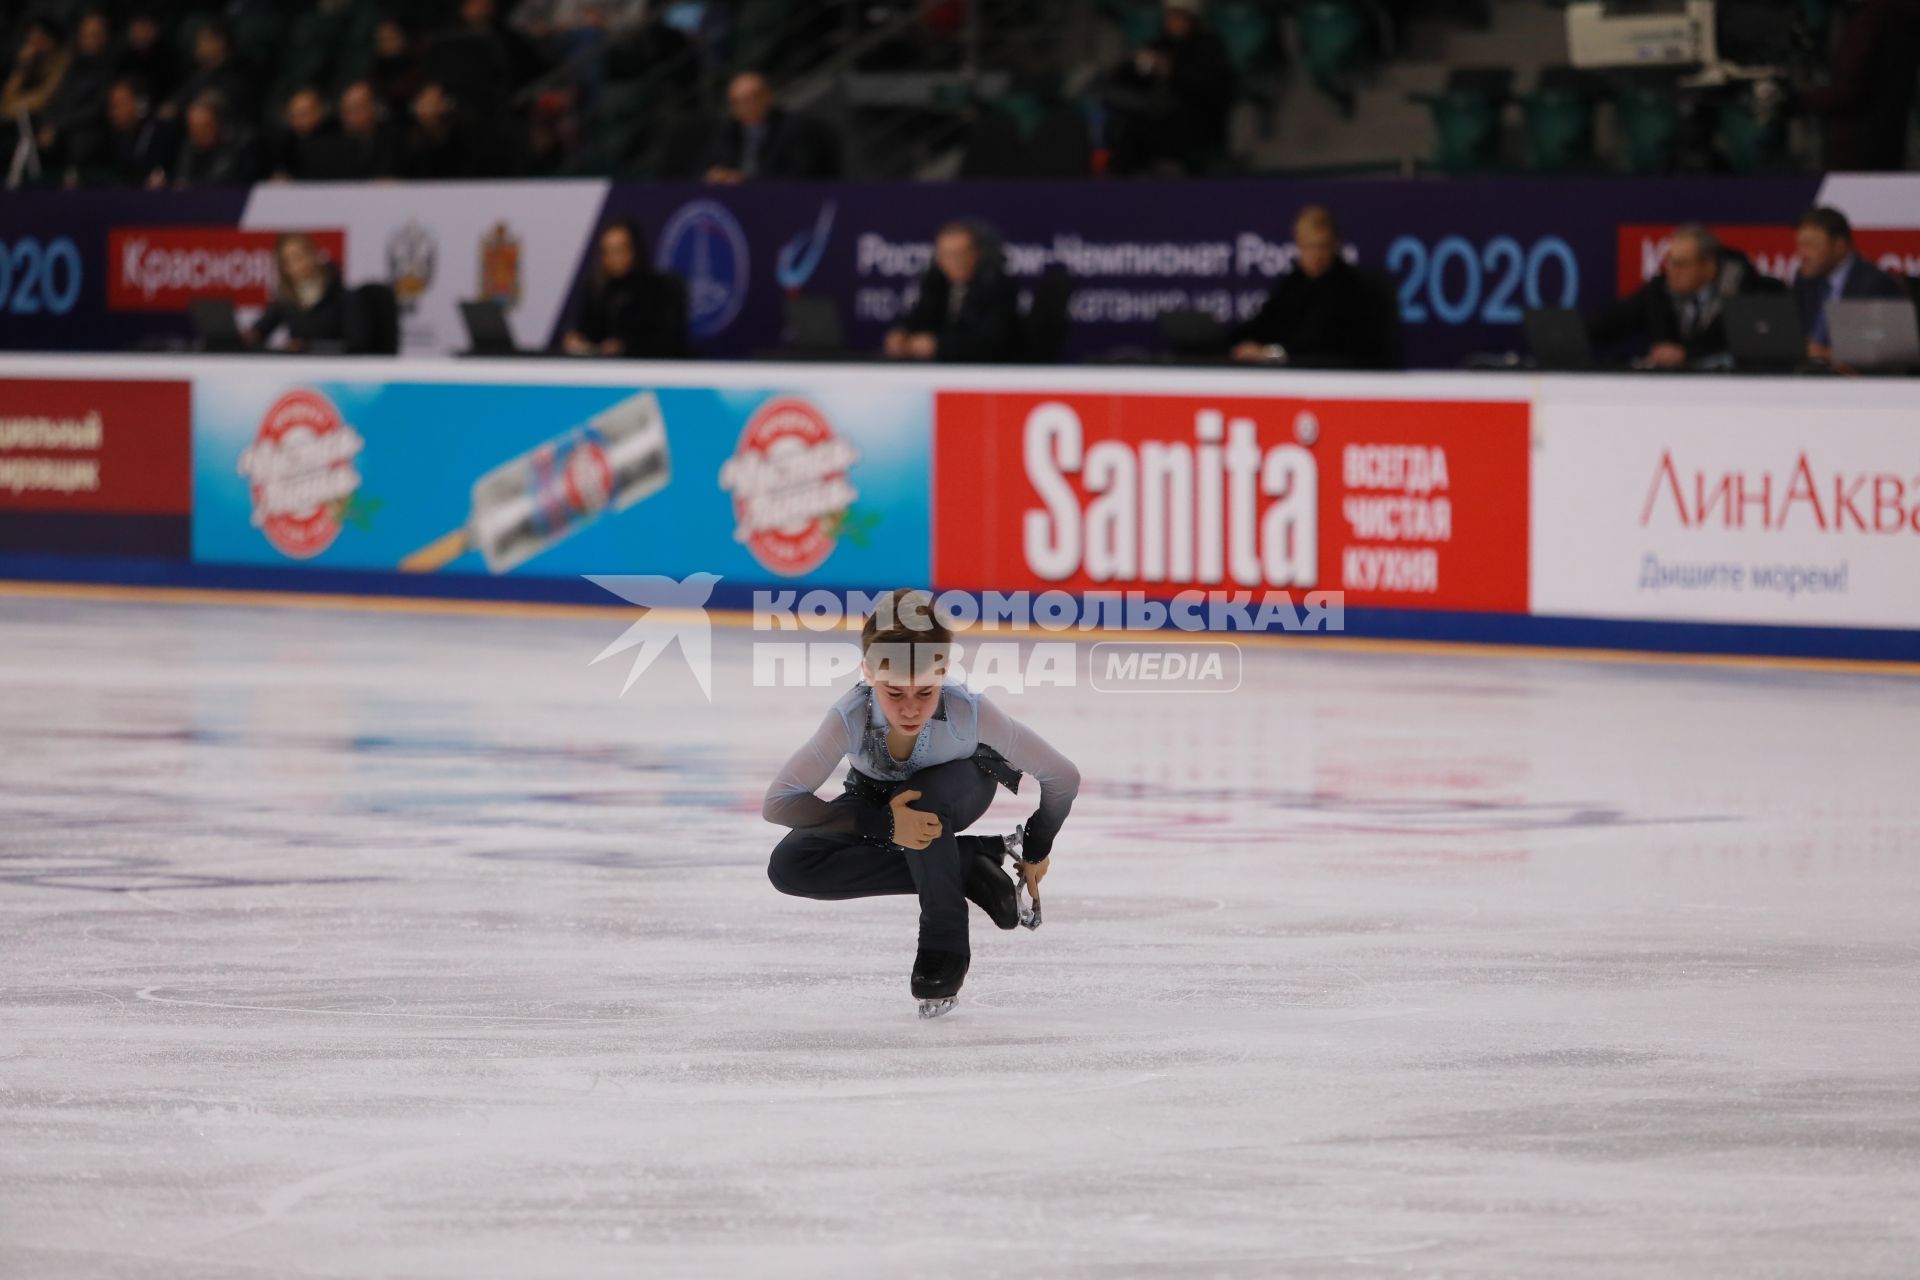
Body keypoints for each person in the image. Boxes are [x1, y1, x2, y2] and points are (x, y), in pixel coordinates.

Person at [764, 589, 1078, 1016]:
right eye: (894, 693)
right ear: (868, 674)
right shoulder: (850, 716)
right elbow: (779, 803)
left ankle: (944, 944)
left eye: (926, 691)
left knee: (920, 802)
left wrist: (1039, 846)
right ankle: (966, 864)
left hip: (960, 788)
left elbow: (1062, 776)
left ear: (944, 670)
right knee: (790, 866)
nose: (911, 708)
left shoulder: (970, 712)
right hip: (875, 796)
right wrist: (885, 826)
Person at [1588, 224, 1787, 368]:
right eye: (1670, 262)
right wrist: (1577, 335)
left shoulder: (1748, 292)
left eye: (1681, 264)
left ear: (1709, 267)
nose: (1671, 271)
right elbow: (1615, 320)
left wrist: (1687, 354)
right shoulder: (1660, 289)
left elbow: (1747, 346)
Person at [1229, 206, 1400, 370]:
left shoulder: (1354, 288)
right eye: (1308, 246)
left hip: (1339, 383)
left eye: (1322, 247)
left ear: (1335, 245)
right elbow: (1262, 324)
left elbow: (1324, 346)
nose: (1315, 255)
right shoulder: (1293, 283)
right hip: (1290, 380)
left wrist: (1272, 354)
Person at [1103, 0, 1236, 177]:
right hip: (1155, 115)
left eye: (1180, 16)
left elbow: (1209, 88)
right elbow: (1126, 77)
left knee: (1146, 128)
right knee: (1128, 128)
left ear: (1192, 19)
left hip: (1196, 120)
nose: (1174, 22)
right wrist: (1136, 64)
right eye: (1170, 16)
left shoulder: (1209, 46)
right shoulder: (1159, 44)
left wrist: (1171, 72)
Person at [1793, 0, 1920, 171]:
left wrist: (1795, 100)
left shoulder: (1870, 21)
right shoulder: (1897, 17)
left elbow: (1848, 90)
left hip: (1855, 146)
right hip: (1890, 141)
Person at [884, 221, 1023, 364]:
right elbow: (920, 316)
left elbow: (992, 342)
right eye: (946, 254)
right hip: (938, 372)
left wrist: (938, 345)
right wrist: (903, 333)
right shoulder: (934, 282)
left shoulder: (998, 286)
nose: (954, 261)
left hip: (988, 373)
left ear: (977, 254)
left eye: (960, 254)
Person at [1792, 207, 1909, 361]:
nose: (1802, 254)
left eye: (1811, 246)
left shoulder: (1875, 284)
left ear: (1839, 245)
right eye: (1800, 245)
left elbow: (1887, 353)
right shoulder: (1805, 281)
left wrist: (1827, 355)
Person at [562, 218, 689, 358]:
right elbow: (585, 330)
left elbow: (665, 340)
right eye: (607, 251)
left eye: (618, 250)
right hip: (602, 371)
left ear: (633, 251)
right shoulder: (597, 289)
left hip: (646, 368)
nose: (613, 257)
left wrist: (625, 347)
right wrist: (577, 339)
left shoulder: (658, 289)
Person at [702, 71, 842, 182]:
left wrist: (747, 181)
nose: (743, 107)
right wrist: (715, 175)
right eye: (736, 102)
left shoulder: (795, 128)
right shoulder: (728, 131)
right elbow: (704, 167)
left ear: (768, 97)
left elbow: (799, 175)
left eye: (749, 99)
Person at [248, 233, 348, 352]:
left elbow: (355, 343)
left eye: (299, 256)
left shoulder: (342, 296)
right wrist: (243, 336)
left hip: (335, 367)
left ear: (313, 254)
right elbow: (260, 330)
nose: (296, 266)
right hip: (297, 368)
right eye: (287, 261)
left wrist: (309, 346)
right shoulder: (286, 300)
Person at [307, 81, 400, 181]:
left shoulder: (393, 140)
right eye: (346, 109)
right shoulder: (326, 145)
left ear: (374, 107)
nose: (351, 115)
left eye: (357, 107)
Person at [164, 19, 252, 122]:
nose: (198, 46)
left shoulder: (237, 75)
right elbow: (174, 104)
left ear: (220, 43)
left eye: (204, 40)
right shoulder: (198, 72)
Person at [167, 90, 258, 188]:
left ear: (220, 123)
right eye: (192, 127)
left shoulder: (242, 145)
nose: (196, 133)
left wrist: (192, 186)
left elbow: (226, 184)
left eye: (203, 127)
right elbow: (182, 178)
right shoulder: (189, 147)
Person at [400, 81, 479, 179]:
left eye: (435, 102)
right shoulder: (407, 141)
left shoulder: (461, 138)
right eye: (426, 103)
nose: (431, 109)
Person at [266, 87, 332, 182]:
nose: (297, 121)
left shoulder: (336, 144)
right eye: (293, 115)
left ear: (319, 112)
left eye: (303, 114)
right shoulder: (284, 145)